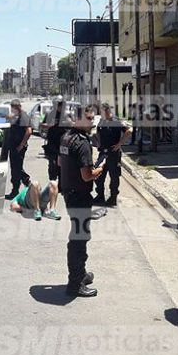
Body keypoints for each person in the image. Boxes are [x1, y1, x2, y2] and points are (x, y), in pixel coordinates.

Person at [59, 104, 104, 297]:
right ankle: (75, 283)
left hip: (69, 193)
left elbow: (60, 162)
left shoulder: (66, 137)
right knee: (79, 238)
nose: (92, 120)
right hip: (79, 195)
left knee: (79, 235)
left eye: (92, 117)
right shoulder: (83, 143)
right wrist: (100, 169)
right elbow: (87, 175)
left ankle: (81, 274)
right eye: (88, 118)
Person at [93, 102, 132, 207]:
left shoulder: (116, 121)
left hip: (113, 153)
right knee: (98, 175)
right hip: (103, 153)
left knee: (114, 176)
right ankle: (100, 195)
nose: (101, 114)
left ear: (108, 111)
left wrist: (120, 143)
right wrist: (99, 142)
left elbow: (129, 130)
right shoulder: (102, 121)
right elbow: (97, 131)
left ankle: (113, 197)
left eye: (103, 112)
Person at [4, 99, 32, 200]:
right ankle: (25, 185)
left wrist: (21, 145)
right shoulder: (17, 116)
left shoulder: (23, 116)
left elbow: (28, 131)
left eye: (13, 108)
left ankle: (18, 189)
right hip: (14, 146)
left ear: (17, 108)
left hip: (18, 147)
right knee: (16, 168)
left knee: (16, 168)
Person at [41, 99, 70, 182]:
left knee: (62, 165)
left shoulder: (66, 114)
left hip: (63, 144)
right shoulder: (49, 114)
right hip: (52, 143)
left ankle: (61, 184)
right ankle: (52, 182)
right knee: (52, 164)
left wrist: (69, 122)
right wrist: (48, 125)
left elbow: (73, 125)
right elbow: (41, 125)